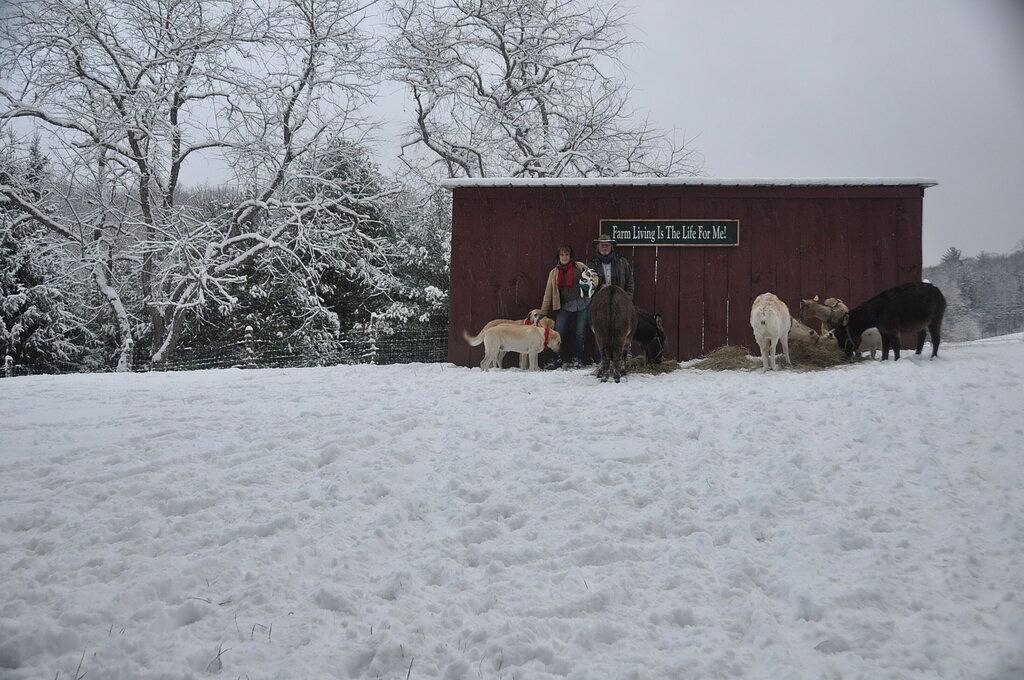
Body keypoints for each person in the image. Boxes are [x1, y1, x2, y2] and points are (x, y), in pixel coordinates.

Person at [539, 245, 592, 368]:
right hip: (564, 305)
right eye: (562, 255)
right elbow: (548, 293)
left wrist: (590, 292)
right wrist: (543, 312)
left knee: (580, 332)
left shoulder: (579, 266)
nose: (564, 257)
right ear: (558, 256)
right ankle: (556, 358)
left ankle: (577, 358)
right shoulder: (554, 273)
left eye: (567, 254)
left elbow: (593, 279)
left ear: (570, 256)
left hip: (582, 304)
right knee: (558, 332)